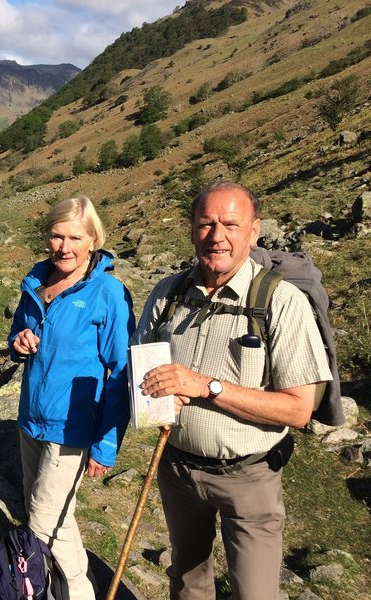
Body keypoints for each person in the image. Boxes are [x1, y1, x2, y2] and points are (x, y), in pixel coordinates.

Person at [132, 182, 332, 600]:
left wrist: (206, 386)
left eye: (230, 224)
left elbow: (298, 411)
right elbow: (142, 374)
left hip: (250, 476)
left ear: (254, 231)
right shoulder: (167, 294)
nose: (216, 235)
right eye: (206, 223)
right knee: (187, 583)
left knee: (254, 593)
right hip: (177, 470)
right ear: (191, 230)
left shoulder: (281, 302)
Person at [8, 196, 134, 599]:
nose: (64, 247)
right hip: (31, 418)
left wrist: (107, 443)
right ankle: (82, 589)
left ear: (94, 240)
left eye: (75, 238)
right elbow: (17, 336)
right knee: (53, 518)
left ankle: (74, 592)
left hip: (73, 426)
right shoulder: (36, 281)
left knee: (43, 523)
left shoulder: (108, 293)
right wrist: (19, 342)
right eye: (56, 236)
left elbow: (122, 371)